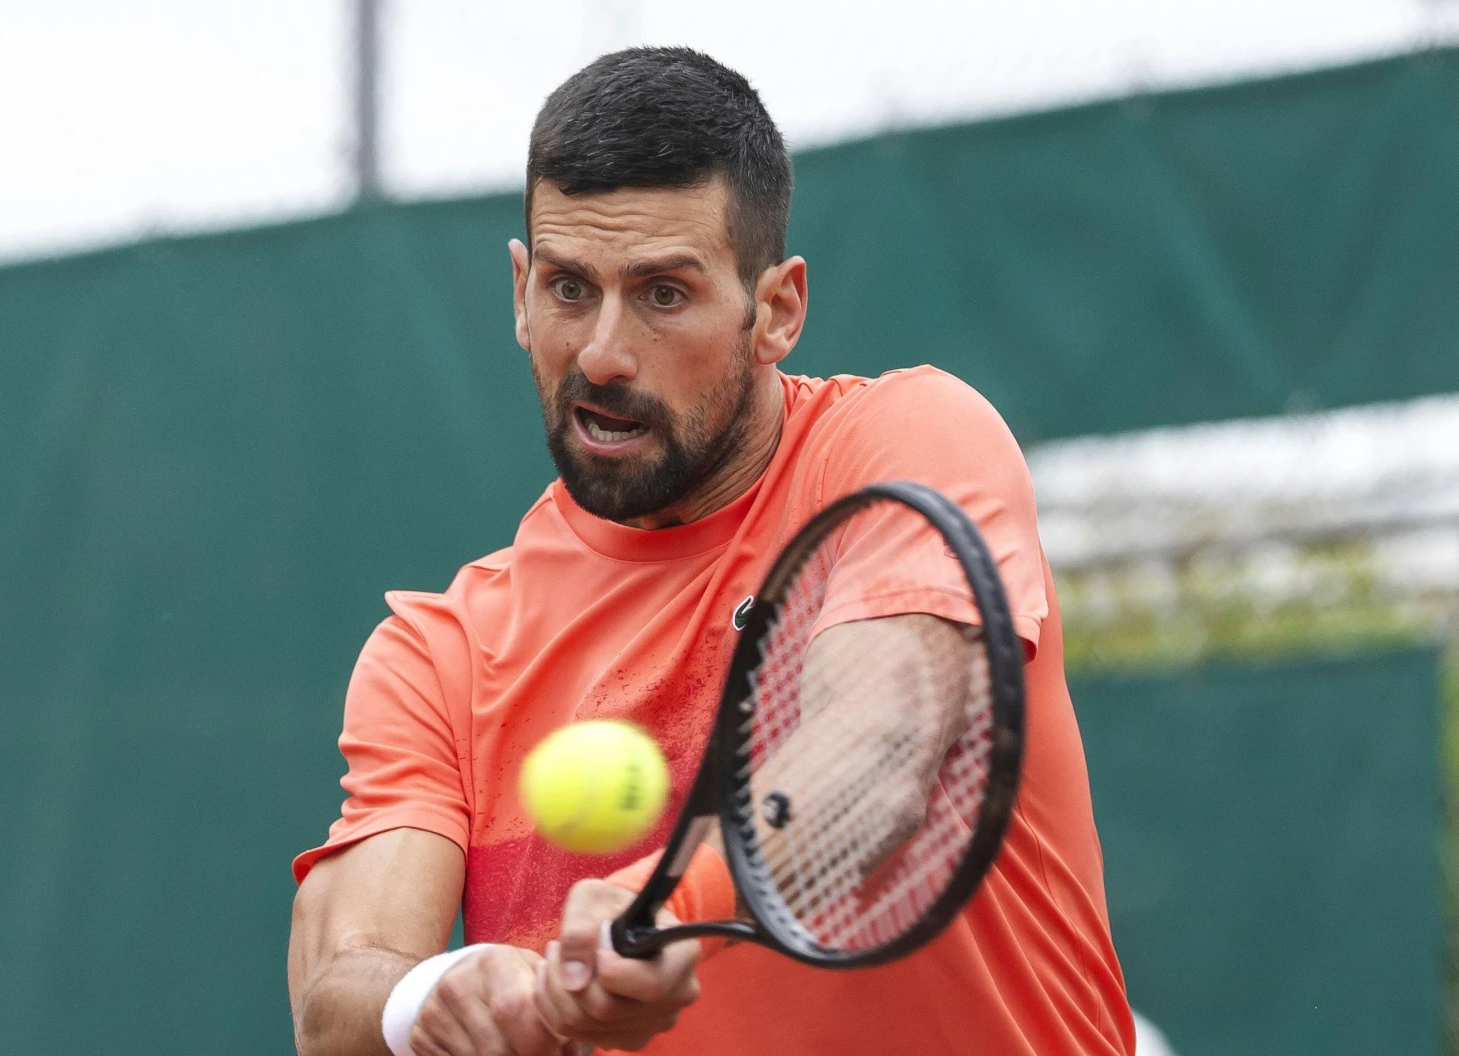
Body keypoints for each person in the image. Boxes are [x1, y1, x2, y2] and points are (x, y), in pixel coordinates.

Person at [288, 46, 1133, 1056]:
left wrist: (665, 902)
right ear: (519, 293)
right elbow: (339, 991)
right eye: (567, 287)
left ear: (775, 310)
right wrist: (439, 996)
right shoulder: (437, 654)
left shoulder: (905, 444)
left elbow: (882, 741)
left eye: (662, 294)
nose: (601, 351)